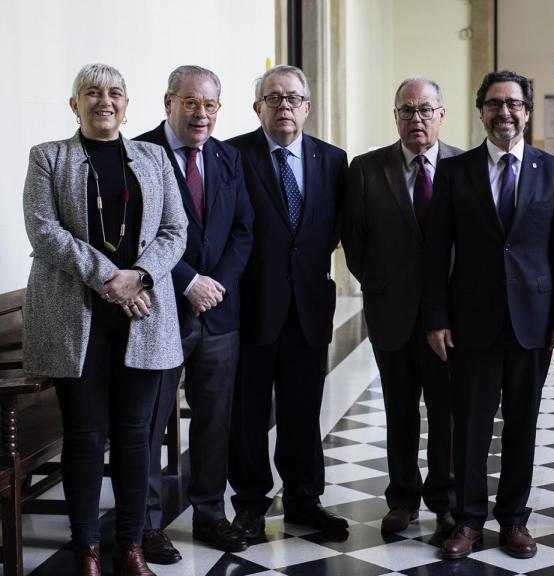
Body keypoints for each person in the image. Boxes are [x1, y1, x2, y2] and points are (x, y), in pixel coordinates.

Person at [22, 63, 187, 576]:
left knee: (136, 435)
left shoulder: (154, 157)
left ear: (127, 103)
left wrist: (138, 276)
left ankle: (131, 545)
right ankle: (87, 547)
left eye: (114, 92)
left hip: (141, 316)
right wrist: (110, 278)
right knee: (86, 435)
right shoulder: (49, 157)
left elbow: (175, 230)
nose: (104, 101)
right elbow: (44, 231)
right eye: (92, 93)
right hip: (78, 319)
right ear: (75, 105)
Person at [422, 70, 554, 560]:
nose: (504, 112)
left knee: (523, 426)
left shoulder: (553, 171)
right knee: (469, 425)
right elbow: (435, 251)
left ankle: (514, 520)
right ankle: (468, 521)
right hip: (471, 321)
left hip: (532, 322)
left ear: (527, 111)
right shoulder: (455, 171)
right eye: (494, 104)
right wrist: (436, 317)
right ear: (481, 111)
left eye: (513, 103)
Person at [135, 65, 254, 562]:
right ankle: (144, 524)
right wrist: (189, 282)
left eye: (209, 105)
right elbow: (139, 234)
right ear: (168, 103)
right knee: (150, 422)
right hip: (162, 313)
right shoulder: (141, 153)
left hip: (219, 315)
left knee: (214, 421)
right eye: (190, 103)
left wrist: (216, 284)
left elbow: (243, 230)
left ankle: (209, 513)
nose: (200, 113)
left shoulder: (228, 157)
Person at [226, 64, 349, 537]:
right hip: (253, 306)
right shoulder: (233, 155)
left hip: (309, 307)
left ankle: (303, 500)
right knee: (249, 413)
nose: (284, 106)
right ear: (257, 107)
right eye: (273, 98)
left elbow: (337, 225)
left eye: (293, 98)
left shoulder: (333, 160)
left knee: (303, 411)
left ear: (308, 107)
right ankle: (251, 506)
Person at [344, 77, 460, 535]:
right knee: (399, 409)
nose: (417, 119)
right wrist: (379, 287)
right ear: (395, 116)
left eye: (426, 110)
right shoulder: (367, 169)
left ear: (441, 115)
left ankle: (446, 499)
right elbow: (354, 242)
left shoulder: (463, 167)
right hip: (392, 314)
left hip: (448, 320)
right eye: (407, 110)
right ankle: (402, 498)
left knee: (447, 411)